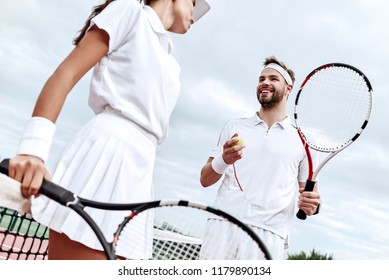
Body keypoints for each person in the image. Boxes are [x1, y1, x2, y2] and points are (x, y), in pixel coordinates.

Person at [7, 0, 210, 260]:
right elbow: (66, 73)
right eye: (195, 3)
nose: (196, 15)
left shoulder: (171, 63)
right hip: (107, 157)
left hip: (140, 175)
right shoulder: (130, 12)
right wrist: (33, 151)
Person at [199, 56, 321, 260]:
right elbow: (205, 179)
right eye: (261, 79)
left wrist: (312, 205)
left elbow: (312, 201)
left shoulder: (304, 141)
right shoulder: (234, 127)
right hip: (222, 224)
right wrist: (224, 160)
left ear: (288, 89)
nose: (265, 82)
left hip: (270, 234)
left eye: (273, 79)